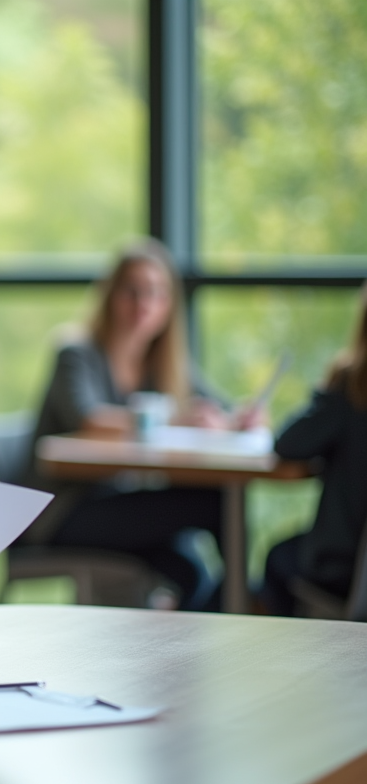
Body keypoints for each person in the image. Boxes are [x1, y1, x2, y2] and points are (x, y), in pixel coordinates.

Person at [20, 238, 259, 611]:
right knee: (211, 506)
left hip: (118, 506)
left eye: (156, 293)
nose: (143, 304)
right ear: (110, 296)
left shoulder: (163, 364)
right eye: (132, 291)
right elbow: (88, 418)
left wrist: (236, 420)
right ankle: (246, 604)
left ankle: (208, 631)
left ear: (169, 305)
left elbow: (215, 406)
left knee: (192, 574)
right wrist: (175, 416)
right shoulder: (76, 352)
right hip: (64, 512)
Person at [260, 281, 367, 616]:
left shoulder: (353, 388)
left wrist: (328, 388)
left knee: (277, 557)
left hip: (341, 567)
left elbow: (287, 443)